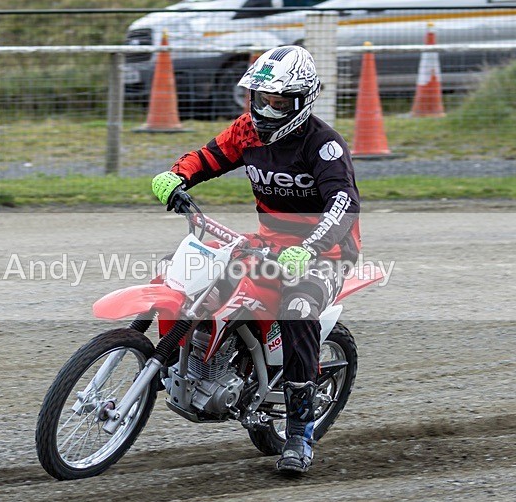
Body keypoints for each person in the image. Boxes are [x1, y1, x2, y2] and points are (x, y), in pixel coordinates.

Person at [151, 45, 361, 474]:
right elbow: (210, 155)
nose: (267, 108)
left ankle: (300, 435)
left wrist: (311, 248)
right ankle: (184, 363)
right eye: (262, 98)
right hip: (267, 242)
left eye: (278, 101)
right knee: (190, 272)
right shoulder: (249, 130)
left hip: (327, 251)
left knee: (298, 309)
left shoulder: (324, 147)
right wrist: (177, 175)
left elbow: (343, 204)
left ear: (302, 102)